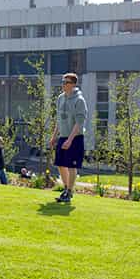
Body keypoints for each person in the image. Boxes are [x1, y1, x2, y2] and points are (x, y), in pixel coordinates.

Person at [50, 73, 88, 204]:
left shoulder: (79, 100)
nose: (63, 84)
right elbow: (59, 120)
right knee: (60, 164)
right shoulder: (60, 98)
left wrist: (70, 140)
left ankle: (70, 192)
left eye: (66, 82)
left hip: (75, 137)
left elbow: (79, 123)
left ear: (73, 84)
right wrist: (54, 136)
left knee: (71, 166)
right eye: (62, 81)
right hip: (63, 136)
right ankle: (66, 188)